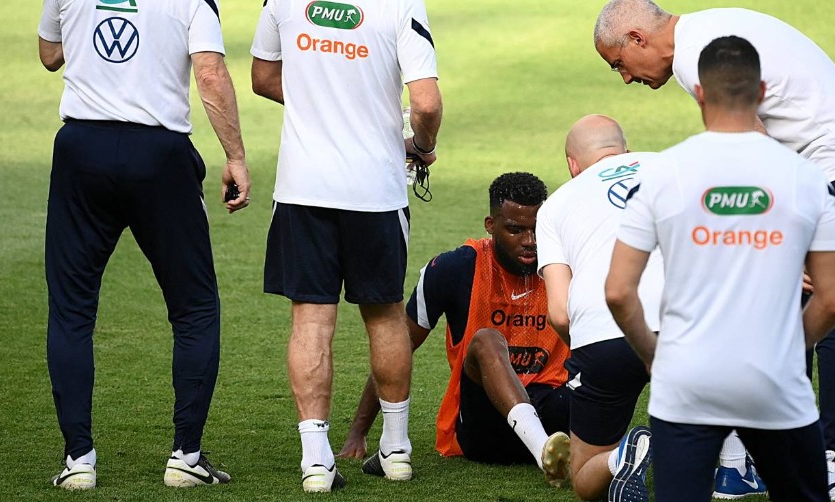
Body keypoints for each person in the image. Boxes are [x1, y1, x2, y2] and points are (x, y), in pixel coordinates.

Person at [593, 4, 835, 498]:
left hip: (831, 159)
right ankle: (780, 446)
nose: (626, 78)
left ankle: (830, 461)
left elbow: (749, 140)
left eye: (619, 64)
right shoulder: (703, 33)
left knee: (829, 308)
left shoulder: (695, 54)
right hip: (819, 154)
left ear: (636, 38)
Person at [38, 0, 250, 491]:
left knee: (71, 310)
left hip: (81, 149)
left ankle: (78, 460)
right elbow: (210, 72)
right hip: (160, 155)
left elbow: (50, 55)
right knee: (195, 307)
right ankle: (186, 457)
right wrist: (235, 156)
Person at [249, 0, 442, 493]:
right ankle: (396, 451)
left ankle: (316, 462)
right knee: (385, 316)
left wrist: (318, 104)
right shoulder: (401, 4)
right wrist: (420, 146)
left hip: (303, 190)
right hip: (375, 191)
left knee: (311, 321)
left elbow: (262, 77)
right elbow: (425, 104)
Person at [337, 172, 572, 487]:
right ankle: (543, 450)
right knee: (486, 340)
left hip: (554, 411)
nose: (530, 241)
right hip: (485, 427)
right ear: (490, 225)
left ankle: (602, 452)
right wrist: (358, 432)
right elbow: (398, 349)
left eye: (537, 229)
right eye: (515, 230)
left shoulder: (566, 266)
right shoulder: (454, 269)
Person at [536, 115, 665, 502]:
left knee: (584, 479)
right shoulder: (670, 165)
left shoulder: (555, 206)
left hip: (603, 332)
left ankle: (619, 458)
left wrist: (589, 353)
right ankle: (733, 465)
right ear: (626, 149)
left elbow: (559, 313)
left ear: (572, 165)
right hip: (689, 320)